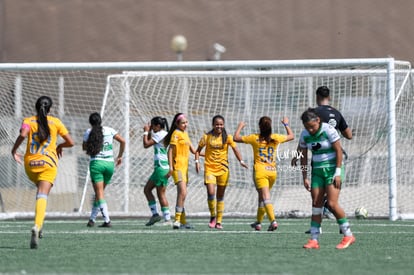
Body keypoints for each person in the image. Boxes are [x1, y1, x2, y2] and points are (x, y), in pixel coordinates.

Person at [11, 96, 74, 249]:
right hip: (48, 163)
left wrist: (14, 150)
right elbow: (71, 142)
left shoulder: (28, 120)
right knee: (42, 195)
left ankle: (40, 227)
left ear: (35, 107)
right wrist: (60, 146)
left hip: (30, 164)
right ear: (50, 109)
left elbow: (23, 134)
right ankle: (37, 226)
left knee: (40, 192)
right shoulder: (56, 122)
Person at [292, 85, 353, 229]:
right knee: (328, 199)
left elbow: (305, 140)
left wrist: (296, 155)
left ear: (317, 97)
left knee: (321, 200)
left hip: (321, 161)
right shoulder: (337, 113)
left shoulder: (313, 114)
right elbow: (349, 135)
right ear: (329, 97)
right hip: (333, 160)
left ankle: (326, 228)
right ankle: (321, 230)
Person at [298, 108, 355, 249]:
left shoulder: (328, 130)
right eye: (307, 127)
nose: (310, 130)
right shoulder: (304, 134)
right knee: (316, 205)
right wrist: (305, 177)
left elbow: (338, 151)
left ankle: (348, 235)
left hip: (332, 171)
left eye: (312, 126)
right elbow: (303, 156)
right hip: (317, 172)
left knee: (331, 204)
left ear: (318, 120)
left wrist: (337, 172)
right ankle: (314, 239)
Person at [234, 116, 294, 231]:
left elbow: (236, 138)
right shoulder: (275, 137)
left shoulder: (254, 138)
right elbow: (291, 136)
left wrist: (240, 126)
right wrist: (286, 124)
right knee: (262, 197)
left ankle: (273, 221)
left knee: (265, 197)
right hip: (272, 172)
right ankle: (258, 222)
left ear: (259, 127)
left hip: (260, 172)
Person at [195, 115, 248, 229]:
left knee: (220, 196)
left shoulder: (227, 137)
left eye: (221, 124)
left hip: (223, 170)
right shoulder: (206, 137)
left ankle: (219, 221)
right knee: (210, 193)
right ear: (213, 125)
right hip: (209, 169)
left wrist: (241, 161)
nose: (219, 126)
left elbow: (235, 149)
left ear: (223, 125)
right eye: (217, 124)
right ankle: (213, 216)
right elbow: (197, 151)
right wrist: (197, 162)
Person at [83, 112, 125, 228]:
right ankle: (92, 219)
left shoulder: (88, 132)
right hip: (109, 164)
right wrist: (120, 156)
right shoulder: (110, 130)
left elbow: (84, 147)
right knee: (99, 193)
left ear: (90, 122)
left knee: (99, 193)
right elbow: (123, 141)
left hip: (96, 164)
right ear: (100, 120)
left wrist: (93, 144)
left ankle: (107, 220)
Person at [164, 113, 197, 229]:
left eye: (186, 122)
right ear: (177, 124)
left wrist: (207, 153)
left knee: (183, 195)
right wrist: (171, 167)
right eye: (183, 123)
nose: (185, 124)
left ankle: (182, 221)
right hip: (177, 167)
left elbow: (194, 150)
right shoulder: (176, 134)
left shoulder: (185, 134)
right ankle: (177, 220)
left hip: (185, 169)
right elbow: (170, 151)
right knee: (182, 192)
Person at [142, 116, 171, 226]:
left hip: (161, 168)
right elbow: (150, 140)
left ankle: (167, 219)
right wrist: (148, 131)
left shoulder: (160, 134)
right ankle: (155, 215)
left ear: (158, 126)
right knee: (147, 190)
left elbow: (146, 144)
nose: (152, 128)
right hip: (160, 168)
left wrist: (145, 132)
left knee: (160, 194)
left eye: (153, 126)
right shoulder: (163, 133)